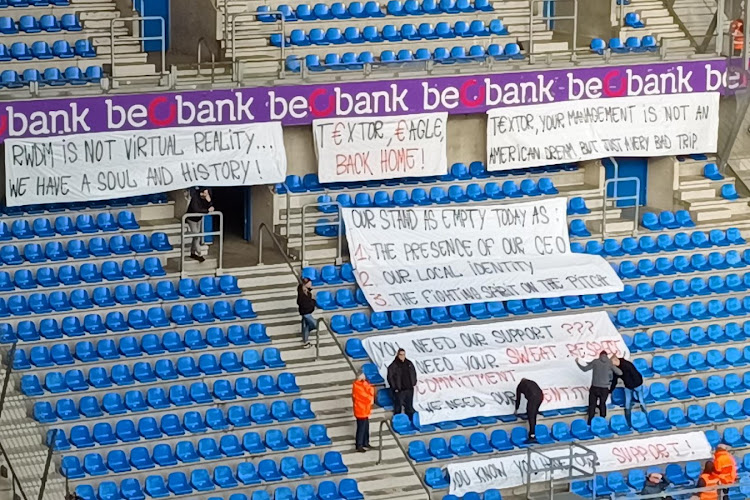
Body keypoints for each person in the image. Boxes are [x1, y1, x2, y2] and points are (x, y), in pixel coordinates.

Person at [576, 351, 622, 424]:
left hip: (595, 387)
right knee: (602, 404)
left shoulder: (595, 362)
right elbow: (620, 373)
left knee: (592, 405)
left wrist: (577, 362)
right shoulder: (609, 362)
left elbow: (584, 369)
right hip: (604, 388)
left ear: (600, 355)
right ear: (606, 355)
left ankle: (590, 423)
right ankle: (602, 422)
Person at [609, 355, 646, 426]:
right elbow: (614, 380)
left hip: (636, 384)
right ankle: (628, 422)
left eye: (612, 363)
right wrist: (611, 390)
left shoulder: (627, 364)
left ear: (616, 360)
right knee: (627, 403)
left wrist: (634, 385)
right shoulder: (616, 369)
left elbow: (635, 375)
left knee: (641, 401)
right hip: (628, 386)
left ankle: (645, 416)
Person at [186, 187, 214, 263]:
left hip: (199, 219)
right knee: (196, 235)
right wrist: (207, 210)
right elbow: (196, 209)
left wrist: (209, 201)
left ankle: (192, 252)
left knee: (196, 236)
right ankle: (199, 253)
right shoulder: (195, 197)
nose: (206, 195)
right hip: (191, 218)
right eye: (205, 193)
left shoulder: (206, 198)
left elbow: (211, 207)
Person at [387, 349, 417, 418]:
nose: (402, 356)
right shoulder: (393, 365)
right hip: (400, 390)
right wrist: (395, 388)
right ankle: (397, 421)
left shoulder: (409, 363)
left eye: (403, 354)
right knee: (398, 407)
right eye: (401, 354)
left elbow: (413, 373)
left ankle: (410, 420)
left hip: (409, 388)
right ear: (397, 355)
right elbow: (390, 377)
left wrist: (414, 382)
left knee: (409, 407)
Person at [352, 369, 375, 452]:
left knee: (366, 427)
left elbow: (371, 390)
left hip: (365, 409)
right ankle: (359, 444)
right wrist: (370, 397)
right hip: (360, 409)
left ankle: (365, 442)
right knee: (361, 428)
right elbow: (365, 396)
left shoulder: (363, 384)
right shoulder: (357, 385)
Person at [514, 378, 543, 444]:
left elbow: (518, 399)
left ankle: (532, 437)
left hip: (533, 397)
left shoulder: (520, 386)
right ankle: (535, 411)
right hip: (540, 396)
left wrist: (516, 409)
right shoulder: (532, 381)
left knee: (531, 417)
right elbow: (538, 390)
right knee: (533, 413)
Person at [296, 278, 316, 348]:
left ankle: (305, 342)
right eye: (310, 283)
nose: (311, 284)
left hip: (307, 312)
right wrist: (313, 302)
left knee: (306, 327)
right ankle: (305, 339)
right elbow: (303, 303)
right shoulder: (302, 294)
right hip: (305, 313)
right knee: (315, 324)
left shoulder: (307, 292)